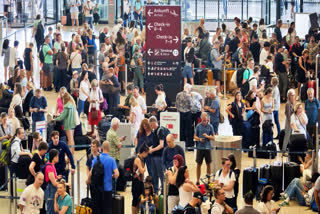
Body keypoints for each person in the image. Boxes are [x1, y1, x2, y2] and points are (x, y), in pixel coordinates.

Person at [87, 141, 119, 214]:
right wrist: (112, 176)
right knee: (107, 210)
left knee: (97, 209)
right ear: (109, 148)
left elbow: (91, 173)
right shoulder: (111, 160)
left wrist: (88, 180)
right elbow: (117, 174)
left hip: (97, 189)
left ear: (101, 148)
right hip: (107, 189)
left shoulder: (96, 158)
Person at [149, 116, 168, 194]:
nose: (150, 127)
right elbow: (155, 144)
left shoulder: (160, 130)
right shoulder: (155, 131)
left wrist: (152, 150)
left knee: (161, 175)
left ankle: (163, 192)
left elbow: (161, 145)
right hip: (154, 156)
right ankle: (155, 192)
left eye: (150, 125)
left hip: (159, 156)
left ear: (153, 123)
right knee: (154, 175)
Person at [194, 112, 214, 184]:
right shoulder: (198, 126)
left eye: (205, 119)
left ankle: (208, 180)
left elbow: (213, 137)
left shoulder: (210, 127)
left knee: (208, 164)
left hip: (207, 148)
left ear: (207, 119)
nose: (204, 121)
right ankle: (197, 180)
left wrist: (207, 136)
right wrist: (199, 139)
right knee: (198, 164)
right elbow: (195, 136)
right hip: (200, 147)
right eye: (202, 119)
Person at [131, 144, 149, 214]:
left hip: (140, 181)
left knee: (140, 198)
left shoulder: (142, 159)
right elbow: (141, 170)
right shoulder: (138, 159)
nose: (147, 155)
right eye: (147, 153)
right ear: (144, 152)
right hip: (136, 182)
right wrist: (144, 168)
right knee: (135, 199)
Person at [175, 84, 193, 148]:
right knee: (188, 130)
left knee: (181, 130)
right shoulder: (189, 96)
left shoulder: (178, 94)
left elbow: (176, 105)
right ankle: (188, 145)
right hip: (187, 114)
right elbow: (191, 106)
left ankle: (181, 145)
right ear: (188, 89)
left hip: (180, 114)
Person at [44, 149, 61, 214]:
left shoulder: (52, 165)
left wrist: (57, 177)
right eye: (57, 156)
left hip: (52, 191)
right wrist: (64, 184)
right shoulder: (49, 167)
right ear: (54, 157)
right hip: (50, 191)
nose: (58, 158)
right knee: (51, 210)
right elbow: (53, 183)